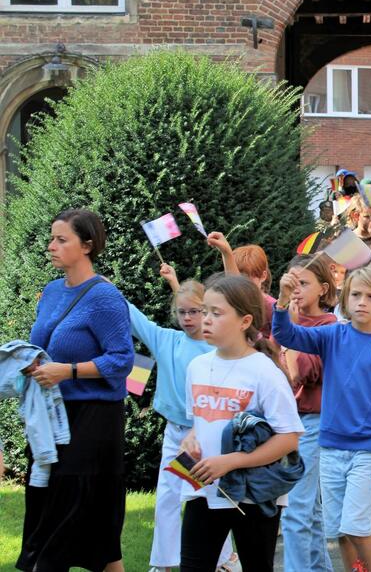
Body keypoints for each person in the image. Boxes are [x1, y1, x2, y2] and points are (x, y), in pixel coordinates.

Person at [18, 209, 135, 572]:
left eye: (61, 239)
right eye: (51, 239)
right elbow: (49, 345)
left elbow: (123, 361)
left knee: (64, 522)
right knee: (91, 536)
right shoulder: (52, 291)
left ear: (87, 246)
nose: (51, 246)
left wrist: (67, 372)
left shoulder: (105, 298)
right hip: (53, 418)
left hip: (93, 424)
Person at [273, 267, 371, 572]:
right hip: (331, 448)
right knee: (340, 532)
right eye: (356, 294)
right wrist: (282, 302)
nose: (362, 302)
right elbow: (286, 334)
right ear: (346, 298)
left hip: (367, 451)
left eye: (370, 296)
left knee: (357, 528)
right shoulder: (334, 334)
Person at [179, 275, 303, 572]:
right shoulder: (197, 367)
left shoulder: (264, 372)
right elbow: (199, 422)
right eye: (204, 311)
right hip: (203, 489)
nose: (205, 320)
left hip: (254, 493)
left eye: (216, 313)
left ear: (245, 320)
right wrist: (190, 439)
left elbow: (289, 439)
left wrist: (231, 461)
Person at [127, 259, 238, 572]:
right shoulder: (166, 339)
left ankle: (226, 558)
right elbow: (135, 320)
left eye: (194, 312)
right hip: (176, 433)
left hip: (205, 435)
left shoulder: (216, 347)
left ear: (206, 311)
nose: (188, 318)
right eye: (182, 312)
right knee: (167, 496)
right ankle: (161, 564)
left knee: (205, 497)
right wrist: (102, 287)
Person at [277, 254, 338, 572]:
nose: (296, 289)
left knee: (296, 510)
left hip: (313, 421)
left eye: (303, 283)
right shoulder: (286, 320)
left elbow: (302, 372)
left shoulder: (327, 326)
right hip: (289, 423)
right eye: (291, 282)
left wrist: (289, 334)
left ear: (323, 289)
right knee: (309, 509)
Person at [231, 244, 276, 338]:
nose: (242, 283)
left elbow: (277, 346)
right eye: (238, 277)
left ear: (263, 276)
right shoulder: (232, 302)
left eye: (247, 278)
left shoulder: (272, 307)